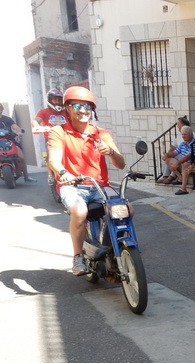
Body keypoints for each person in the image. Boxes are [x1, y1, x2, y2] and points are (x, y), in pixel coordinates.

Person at [48, 86, 125, 276]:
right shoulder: (59, 132)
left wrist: (111, 152)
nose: (83, 110)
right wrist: (63, 172)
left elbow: (121, 164)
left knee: (126, 210)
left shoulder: (101, 134)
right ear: (68, 108)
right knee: (79, 211)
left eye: (87, 106)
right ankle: (78, 257)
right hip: (73, 185)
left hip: (99, 186)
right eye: (77, 106)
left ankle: (110, 247)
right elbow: (53, 160)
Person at [33, 89, 67, 183]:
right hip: (50, 138)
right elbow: (36, 121)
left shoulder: (66, 112)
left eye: (59, 100)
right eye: (55, 99)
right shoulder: (43, 112)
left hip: (66, 137)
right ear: (50, 100)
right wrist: (37, 127)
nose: (57, 102)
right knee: (49, 156)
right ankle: (50, 175)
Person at [162, 125, 195, 196]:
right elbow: (174, 153)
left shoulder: (194, 144)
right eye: (182, 134)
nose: (183, 136)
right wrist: (167, 155)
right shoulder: (183, 144)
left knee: (185, 164)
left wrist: (178, 163)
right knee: (168, 160)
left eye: (185, 134)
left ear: (191, 134)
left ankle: (183, 188)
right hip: (186, 165)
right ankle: (180, 178)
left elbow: (189, 156)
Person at [0, 103, 35, 182]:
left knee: (21, 157)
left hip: (9, 140)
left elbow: (15, 127)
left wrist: (19, 132)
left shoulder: (7, 119)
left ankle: (26, 177)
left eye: (0, 108)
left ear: (2, 109)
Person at [158, 115, 191, 183]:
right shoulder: (179, 136)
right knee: (167, 157)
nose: (177, 126)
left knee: (175, 160)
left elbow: (190, 154)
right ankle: (166, 176)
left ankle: (172, 177)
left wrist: (174, 158)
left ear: (183, 125)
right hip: (179, 155)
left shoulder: (191, 135)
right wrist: (167, 155)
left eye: (178, 124)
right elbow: (173, 148)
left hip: (186, 157)